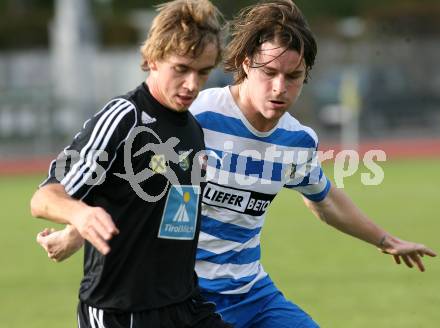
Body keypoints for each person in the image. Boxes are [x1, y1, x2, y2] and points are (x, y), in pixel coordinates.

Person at [36, 1, 436, 327]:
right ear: (245, 63)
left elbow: (324, 199)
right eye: (270, 73)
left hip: (253, 293)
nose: (280, 88)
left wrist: (385, 240)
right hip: (187, 294)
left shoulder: (297, 141)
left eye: (293, 76)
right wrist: (77, 228)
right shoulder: (197, 116)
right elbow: (136, 187)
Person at [30, 0, 233, 327]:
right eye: (181, 69)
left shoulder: (192, 129)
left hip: (183, 304)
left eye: (203, 72)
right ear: (153, 59)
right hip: (120, 313)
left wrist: (74, 234)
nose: (193, 85)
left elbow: (146, 205)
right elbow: (44, 198)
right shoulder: (124, 118)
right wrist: (79, 215)